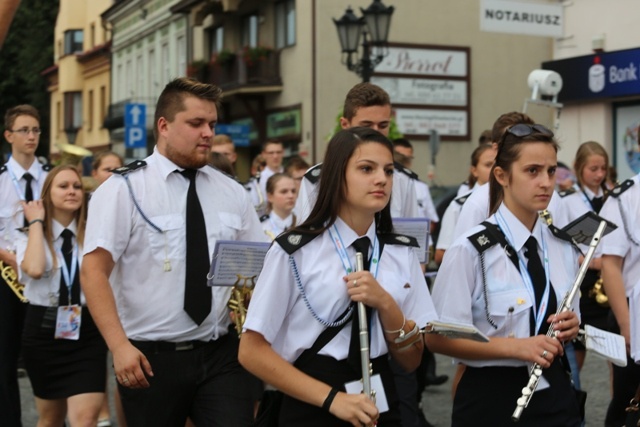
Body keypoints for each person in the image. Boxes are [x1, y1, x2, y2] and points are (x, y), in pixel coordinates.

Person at [80, 77, 267, 427]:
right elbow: (93, 271)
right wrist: (119, 347)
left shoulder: (232, 192)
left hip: (220, 353)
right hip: (150, 358)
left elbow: (258, 267)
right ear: (164, 126)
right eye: (196, 123)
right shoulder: (124, 189)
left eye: (211, 124)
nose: (207, 133)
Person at [239, 127, 438, 427]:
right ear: (336, 176)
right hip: (312, 395)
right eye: (366, 169)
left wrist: (386, 304)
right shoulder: (296, 251)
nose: (381, 179)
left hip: (380, 394)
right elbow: (251, 351)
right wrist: (333, 399)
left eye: (388, 170)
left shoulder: (402, 252)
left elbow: (411, 359)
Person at [426, 123, 582, 426]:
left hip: (555, 393)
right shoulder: (469, 250)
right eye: (532, 171)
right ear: (501, 176)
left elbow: (568, 313)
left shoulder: (562, 246)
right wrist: (517, 347)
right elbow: (437, 338)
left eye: (551, 171)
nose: (546, 182)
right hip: (491, 397)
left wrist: (572, 326)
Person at [18, 165, 107, 426]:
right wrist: (36, 221)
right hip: (43, 332)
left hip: (87, 331)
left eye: (77, 187)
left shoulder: (94, 235)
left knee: (86, 419)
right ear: (47, 194)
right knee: (51, 419)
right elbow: (34, 268)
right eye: (63, 186)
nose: (72, 191)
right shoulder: (29, 236)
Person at [295, 82, 419, 221]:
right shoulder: (317, 179)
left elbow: (411, 234)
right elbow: (308, 234)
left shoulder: (403, 179)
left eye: (383, 125)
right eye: (366, 125)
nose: (376, 132)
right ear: (345, 125)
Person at [0, 104, 49, 427]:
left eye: (36, 130)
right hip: (6, 278)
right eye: (24, 130)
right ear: (9, 136)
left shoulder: (52, 178)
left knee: (46, 358)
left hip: (46, 277)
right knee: (4, 361)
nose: (31, 136)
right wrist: (11, 260)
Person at [558, 141, 611, 370]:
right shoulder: (568, 200)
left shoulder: (615, 196)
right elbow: (564, 245)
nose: (599, 174)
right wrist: (591, 262)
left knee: (618, 359)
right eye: (593, 169)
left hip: (611, 278)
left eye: (603, 168)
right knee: (577, 354)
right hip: (585, 280)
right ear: (579, 167)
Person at [600, 170, 640, 427]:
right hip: (633, 312)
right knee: (628, 399)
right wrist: (627, 326)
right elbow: (611, 265)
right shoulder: (625, 196)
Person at [89, 151, 125, 427]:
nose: (113, 174)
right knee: (93, 359)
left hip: (117, 295)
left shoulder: (126, 202)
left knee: (118, 362)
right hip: (85, 294)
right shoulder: (86, 203)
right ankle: (99, 412)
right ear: (95, 173)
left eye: (118, 169)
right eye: (107, 169)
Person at [435, 143, 496, 265]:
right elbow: (441, 254)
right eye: (488, 165)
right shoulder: (459, 205)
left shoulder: (510, 202)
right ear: (474, 171)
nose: (494, 169)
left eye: (497, 164)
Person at [260, 173, 297, 240]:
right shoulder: (261, 227)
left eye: (293, 191)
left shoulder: (302, 224)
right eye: (284, 191)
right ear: (270, 196)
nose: (291, 196)